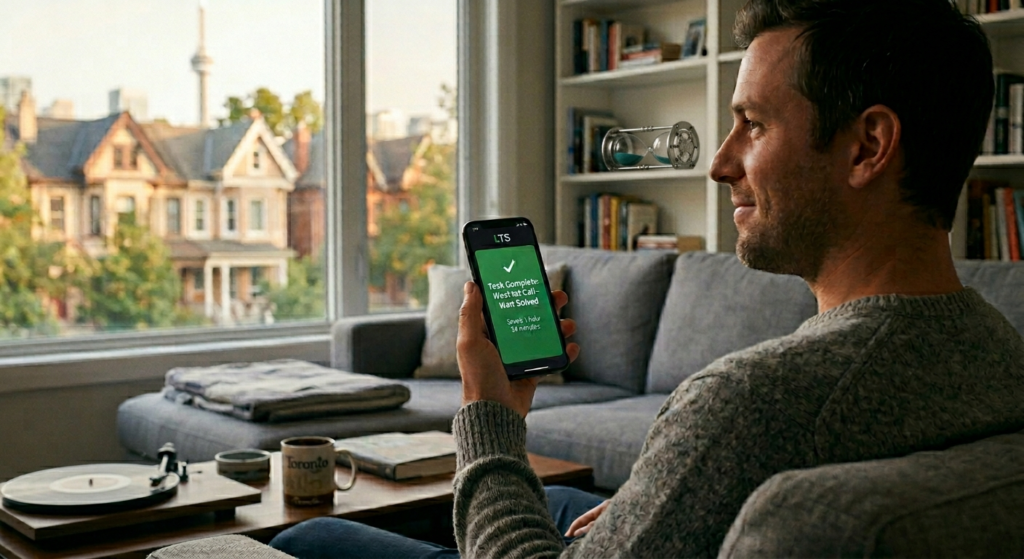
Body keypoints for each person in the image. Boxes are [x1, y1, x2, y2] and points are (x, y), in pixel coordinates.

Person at [271, 0, 1024, 557]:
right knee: (572, 499)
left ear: (868, 146)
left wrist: (491, 414)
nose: (719, 161)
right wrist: (648, 509)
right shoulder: (998, 352)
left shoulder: (747, 405)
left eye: (753, 125)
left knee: (317, 537)